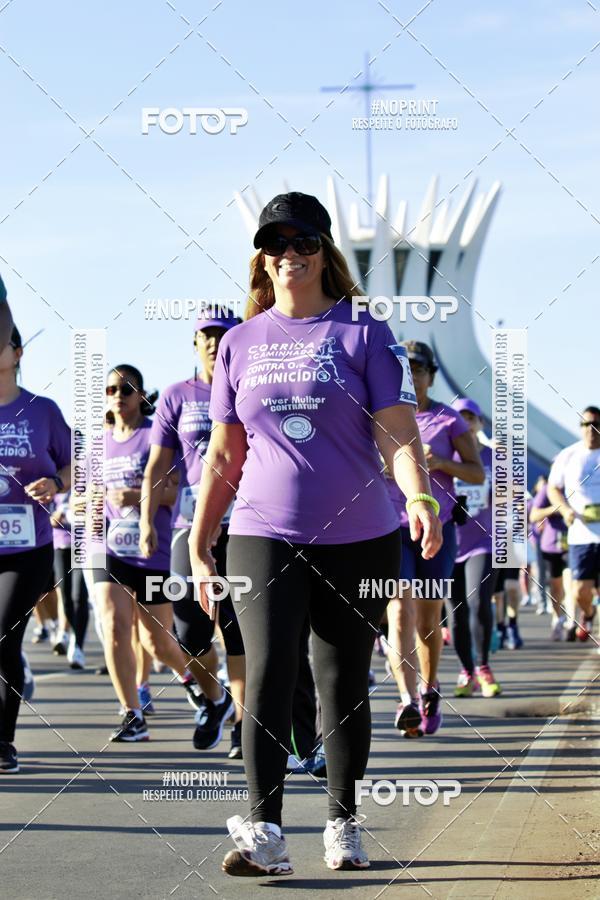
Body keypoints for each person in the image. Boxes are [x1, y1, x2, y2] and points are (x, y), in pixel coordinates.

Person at [188, 191, 442, 875]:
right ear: (261, 258)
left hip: (360, 534)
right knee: (267, 672)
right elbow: (223, 455)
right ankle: (265, 832)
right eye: (276, 243)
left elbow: (396, 432)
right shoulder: (239, 343)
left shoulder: (365, 332)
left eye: (303, 242)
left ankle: (343, 823)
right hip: (262, 531)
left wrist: (417, 493)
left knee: (341, 681)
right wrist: (198, 538)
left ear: (325, 253)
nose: (289, 254)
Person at [140, 313, 244, 757]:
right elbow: (156, 466)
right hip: (189, 525)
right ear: (196, 342)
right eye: (207, 336)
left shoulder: (246, 385)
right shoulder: (177, 395)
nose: (214, 343)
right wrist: (147, 522)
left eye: (223, 335)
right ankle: (216, 699)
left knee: (238, 631)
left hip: (245, 523)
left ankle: (246, 725)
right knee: (190, 632)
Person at [93, 364, 204, 743]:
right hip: (109, 550)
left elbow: (176, 493)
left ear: (141, 396)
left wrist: (138, 498)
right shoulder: (99, 443)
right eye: (110, 390)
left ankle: (191, 681)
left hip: (152, 550)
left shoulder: (154, 436)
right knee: (113, 625)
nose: (118, 397)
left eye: (126, 390)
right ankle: (132, 713)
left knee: (156, 641)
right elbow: (87, 496)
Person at [387, 342, 485, 738]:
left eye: (419, 369)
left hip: (436, 530)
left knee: (428, 621)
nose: (412, 375)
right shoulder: (379, 416)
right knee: (399, 609)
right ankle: (407, 698)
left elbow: (478, 473)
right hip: (391, 526)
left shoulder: (449, 421)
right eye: (404, 368)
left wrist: (441, 462)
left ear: (431, 375)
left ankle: (430, 689)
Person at [0, 324, 71, 774]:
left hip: (28, 546)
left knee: (4, 633)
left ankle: (3, 741)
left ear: (18, 351)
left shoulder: (41, 410)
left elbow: (76, 463)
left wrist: (58, 482)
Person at [450, 398, 500, 698]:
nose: (466, 423)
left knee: (478, 601)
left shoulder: (495, 458)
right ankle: (466, 670)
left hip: (484, 541)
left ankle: (483, 667)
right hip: (448, 543)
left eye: (471, 418)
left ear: (480, 423)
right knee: (455, 613)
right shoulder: (441, 456)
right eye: (460, 417)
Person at [548, 406, 600, 641]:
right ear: (580, 428)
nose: (592, 429)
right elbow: (553, 488)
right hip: (581, 534)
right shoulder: (568, 455)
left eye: (596, 424)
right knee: (580, 592)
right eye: (586, 424)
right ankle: (589, 614)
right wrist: (566, 510)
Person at [51, 491, 89, 667]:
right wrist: (55, 516)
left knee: (78, 596)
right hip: (61, 545)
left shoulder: (88, 480)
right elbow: (46, 514)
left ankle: (78, 645)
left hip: (84, 545)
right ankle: (72, 632)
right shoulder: (54, 482)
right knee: (65, 597)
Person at [529, 476, 569, 640]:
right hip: (552, 544)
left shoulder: (584, 483)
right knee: (556, 585)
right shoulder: (548, 489)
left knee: (573, 582)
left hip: (577, 541)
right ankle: (557, 618)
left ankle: (574, 621)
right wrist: (557, 508)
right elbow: (533, 515)